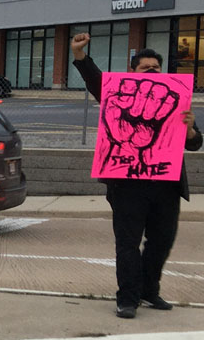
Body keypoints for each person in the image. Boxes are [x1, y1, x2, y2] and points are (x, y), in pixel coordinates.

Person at [71, 32, 202, 318]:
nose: (153, 72)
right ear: (133, 71)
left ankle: (148, 291)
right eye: (146, 67)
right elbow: (95, 80)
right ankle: (127, 299)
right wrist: (80, 55)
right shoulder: (118, 90)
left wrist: (190, 128)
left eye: (156, 67)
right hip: (127, 184)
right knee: (127, 243)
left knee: (162, 240)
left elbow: (194, 143)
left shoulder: (175, 94)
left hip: (166, 184)